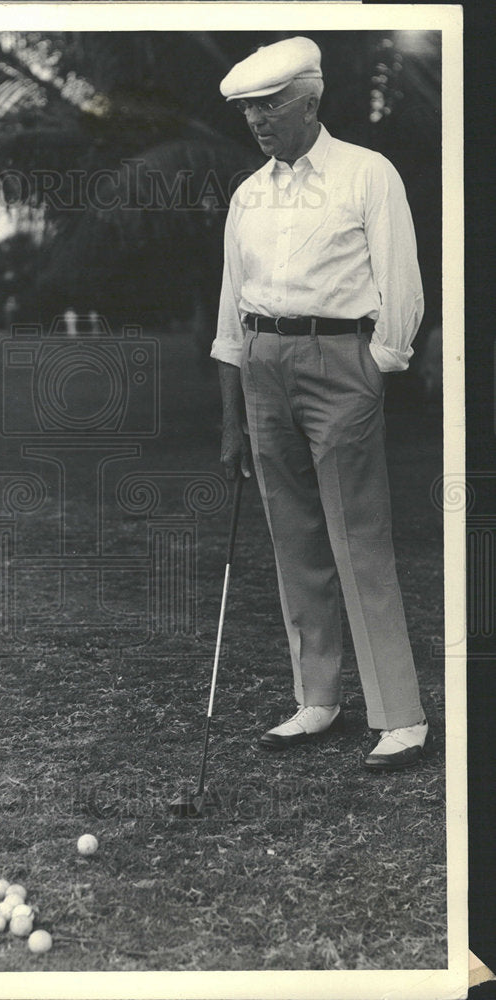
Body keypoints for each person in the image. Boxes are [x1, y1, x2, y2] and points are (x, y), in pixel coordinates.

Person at [211, 37, 428, 771]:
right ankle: (318, 700)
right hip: (263, 366)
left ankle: (399, 717)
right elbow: (228, 311)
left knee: (358, 537)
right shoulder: (249, 192)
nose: (258, 120)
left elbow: (403, 286)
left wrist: (379, 365)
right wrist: (232, 412)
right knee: (294, 538)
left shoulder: (368, 173)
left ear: (311, 100)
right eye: (248, 110)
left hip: (343, 362)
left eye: (271, 105)